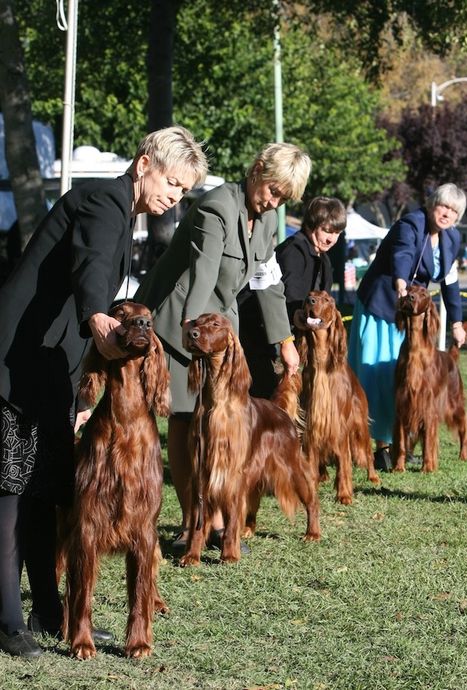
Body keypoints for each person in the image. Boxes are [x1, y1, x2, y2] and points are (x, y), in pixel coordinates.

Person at [0, 126, 208, 658]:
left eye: (184, 191)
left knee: (44, 492)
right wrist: (101, 320)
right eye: (171, 182)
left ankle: (50, 610)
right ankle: (7, 621)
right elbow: (92, 275)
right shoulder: (105, 201)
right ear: (144, 165)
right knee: (10, 492)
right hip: (15, 362)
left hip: (46, 367)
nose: (174, 197)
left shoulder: (122, 210)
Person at [135, 142, 312, 553]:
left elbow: (268, 282)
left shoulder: (267, 220)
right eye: (274, 190)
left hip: (220, 328)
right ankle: (193, 524)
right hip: (181, 318)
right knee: (184, 417)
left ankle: (215, 519)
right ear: (256, 170)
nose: (276, 201)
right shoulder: (216, 207)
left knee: (219, 422)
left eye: (284, 196)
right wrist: (191, 331)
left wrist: (284, 340)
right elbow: (204, 272)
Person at [348, 183, 467, 470]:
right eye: (443, 206)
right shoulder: (410, 224)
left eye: (454, 210)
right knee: (377, 377)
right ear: (431, 204)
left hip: (410, 315)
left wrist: (456, 323)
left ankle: (400, 444)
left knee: (404, 381)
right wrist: (401, 282)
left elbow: (450, 283)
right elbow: (402, 253)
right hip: (382, 304)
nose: (447, 213)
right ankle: (379, 448)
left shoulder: (451, 239)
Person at [238, 196, 346, 398]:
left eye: (337, 233)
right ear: (313, 224)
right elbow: (287, 302)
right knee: (266, 401)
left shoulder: (322, 258)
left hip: (279, 341)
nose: (332, 238)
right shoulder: (293, 251)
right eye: (327, 231)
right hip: (256, 337)